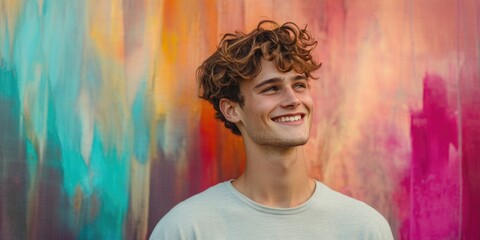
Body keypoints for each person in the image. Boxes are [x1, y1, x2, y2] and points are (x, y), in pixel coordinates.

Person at [150, 20, 394, 239]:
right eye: (271, 88)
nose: (293, 100)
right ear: (232, 109)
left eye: (299, 85)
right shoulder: (187, 229)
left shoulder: (364, 228)